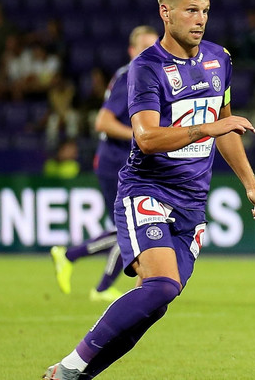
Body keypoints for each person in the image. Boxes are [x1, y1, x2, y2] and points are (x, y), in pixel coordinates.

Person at [42, 0, 255, 379]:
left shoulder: (221, 60)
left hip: (192, 203)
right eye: (190, 11)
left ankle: (74, 376)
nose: (199, 20)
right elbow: (146, 138)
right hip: (148, 190)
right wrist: (208, 128)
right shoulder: (145, 68)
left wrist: (252, 187)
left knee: (156, 302)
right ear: (165, 12)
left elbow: (226, 126)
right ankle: (70, 366)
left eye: (204, 11)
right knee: (161, 285)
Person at [50, 26, 159, 303]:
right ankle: (76, 261)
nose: (152, 51)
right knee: (133, 227)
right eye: (144, 47)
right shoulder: (130, 75)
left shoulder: (147, 75)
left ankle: (99, 283)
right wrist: (140, 136)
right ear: (131, 51)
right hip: (115, 162)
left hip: (128, 163)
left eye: (155, 45)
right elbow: (103, 122)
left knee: (133, 227)